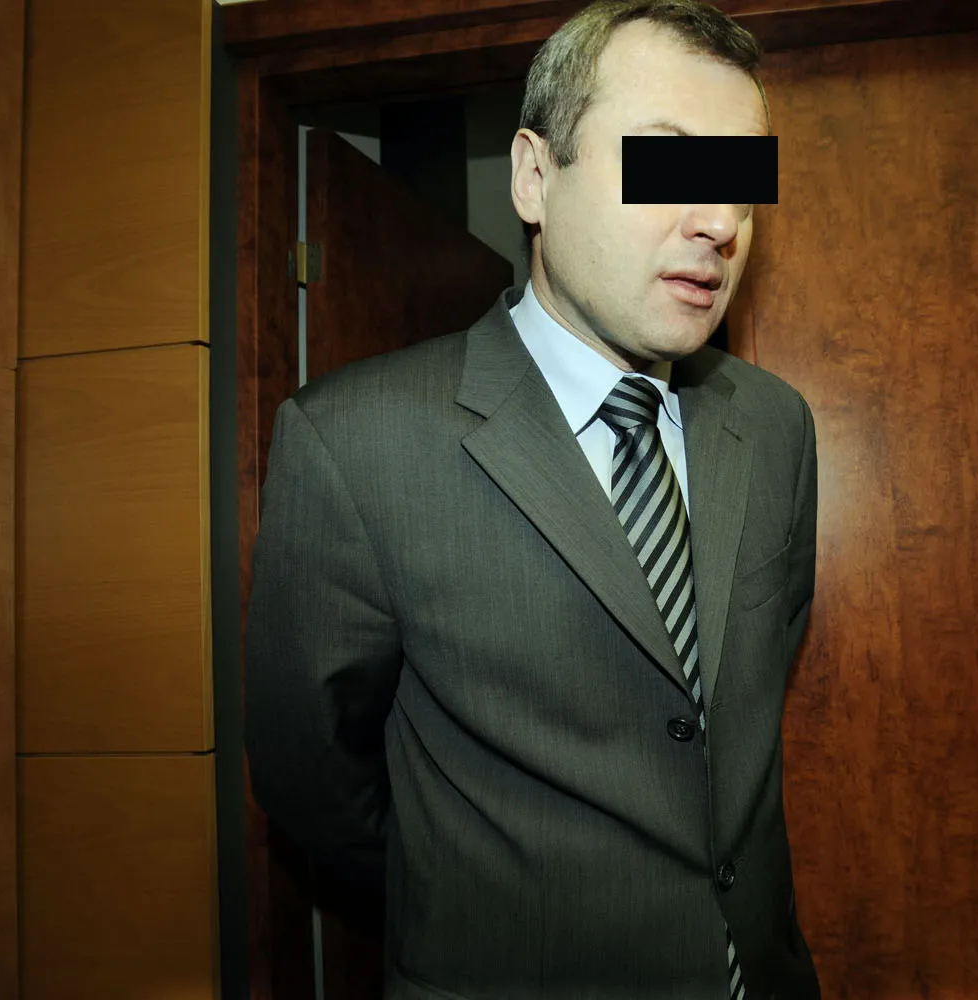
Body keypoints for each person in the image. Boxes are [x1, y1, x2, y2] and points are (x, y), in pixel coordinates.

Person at [243, 2, 820, 997]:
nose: (720, 222)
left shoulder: (774, 426)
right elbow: (313, 780)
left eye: (740, 179)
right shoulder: (355, 442)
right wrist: (477, 900)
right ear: (534, 177)